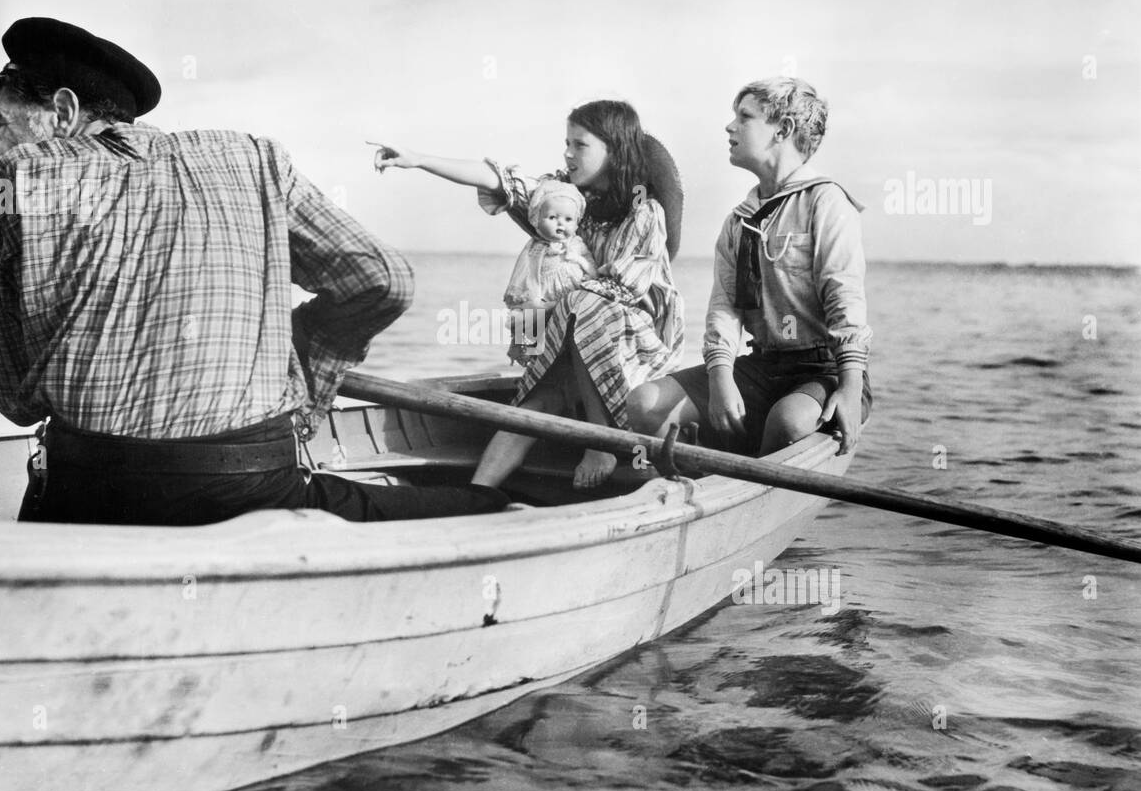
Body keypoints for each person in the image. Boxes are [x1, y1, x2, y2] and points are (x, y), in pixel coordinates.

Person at [0, 16, 509, 525]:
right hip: (253, 491)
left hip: (94, 491)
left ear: (64, 112)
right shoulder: (254, 160)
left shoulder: (12, 179)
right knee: (480, 506)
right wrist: (295, 356)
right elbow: (383, 280)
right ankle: (494, 506)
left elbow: (16, 402)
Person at [371, 100, 685, 489]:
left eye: (580, 145)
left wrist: (543, 315)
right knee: (532, 409)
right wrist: (418, 160)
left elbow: (622, 289)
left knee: (581, 302)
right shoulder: (566, 198)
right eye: (566, 143)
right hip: (569, 337)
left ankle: (601, 442)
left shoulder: (644, 212)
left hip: (629, 349)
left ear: (615, 150)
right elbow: (498, 180)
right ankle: (474, 498)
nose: (568, 153)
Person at [627, 77, 872, 458]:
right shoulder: (739, 221)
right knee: (645, 403)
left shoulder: (826, 203)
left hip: (822, 370)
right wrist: (720, 376)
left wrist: (851, 389)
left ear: (783, 130)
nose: (730, 126)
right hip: (763, 366)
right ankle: (706, 477)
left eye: (744, 116)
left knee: (788, 421)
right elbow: (725, 307)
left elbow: (845, 299)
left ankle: (751, 469)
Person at [501, 179, 598, 365]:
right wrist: (522, 299)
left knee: (566, 336)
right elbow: (524, 273)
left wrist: (581, 264)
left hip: (568, 297)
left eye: (568, 219)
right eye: (552, 218)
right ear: (537, 218)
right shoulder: (534, 247)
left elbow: (590, 267)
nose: (560, 224)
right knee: (530, 321)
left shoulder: (576, 245)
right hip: (541, 296)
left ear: (576, 223)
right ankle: (530, 361)